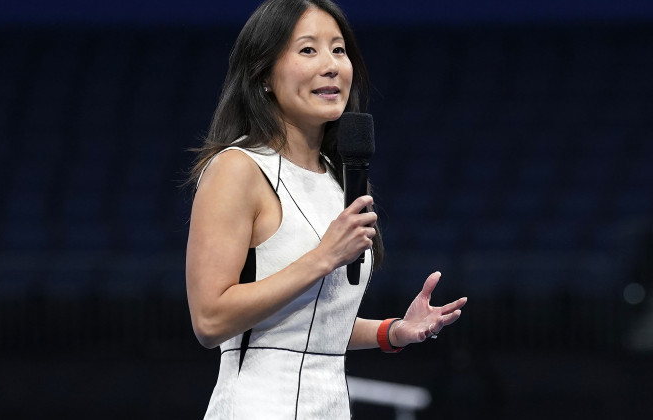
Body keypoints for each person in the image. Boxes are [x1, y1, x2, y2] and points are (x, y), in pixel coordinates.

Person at [185, 0, 467, 418]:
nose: (332, 65)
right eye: (308, 50)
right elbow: (209, 321)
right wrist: (323, 257)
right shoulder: (237, 169)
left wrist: (392, 332)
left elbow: (303, 324)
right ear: (263, 74)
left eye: (338, 49)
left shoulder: (340, 178)